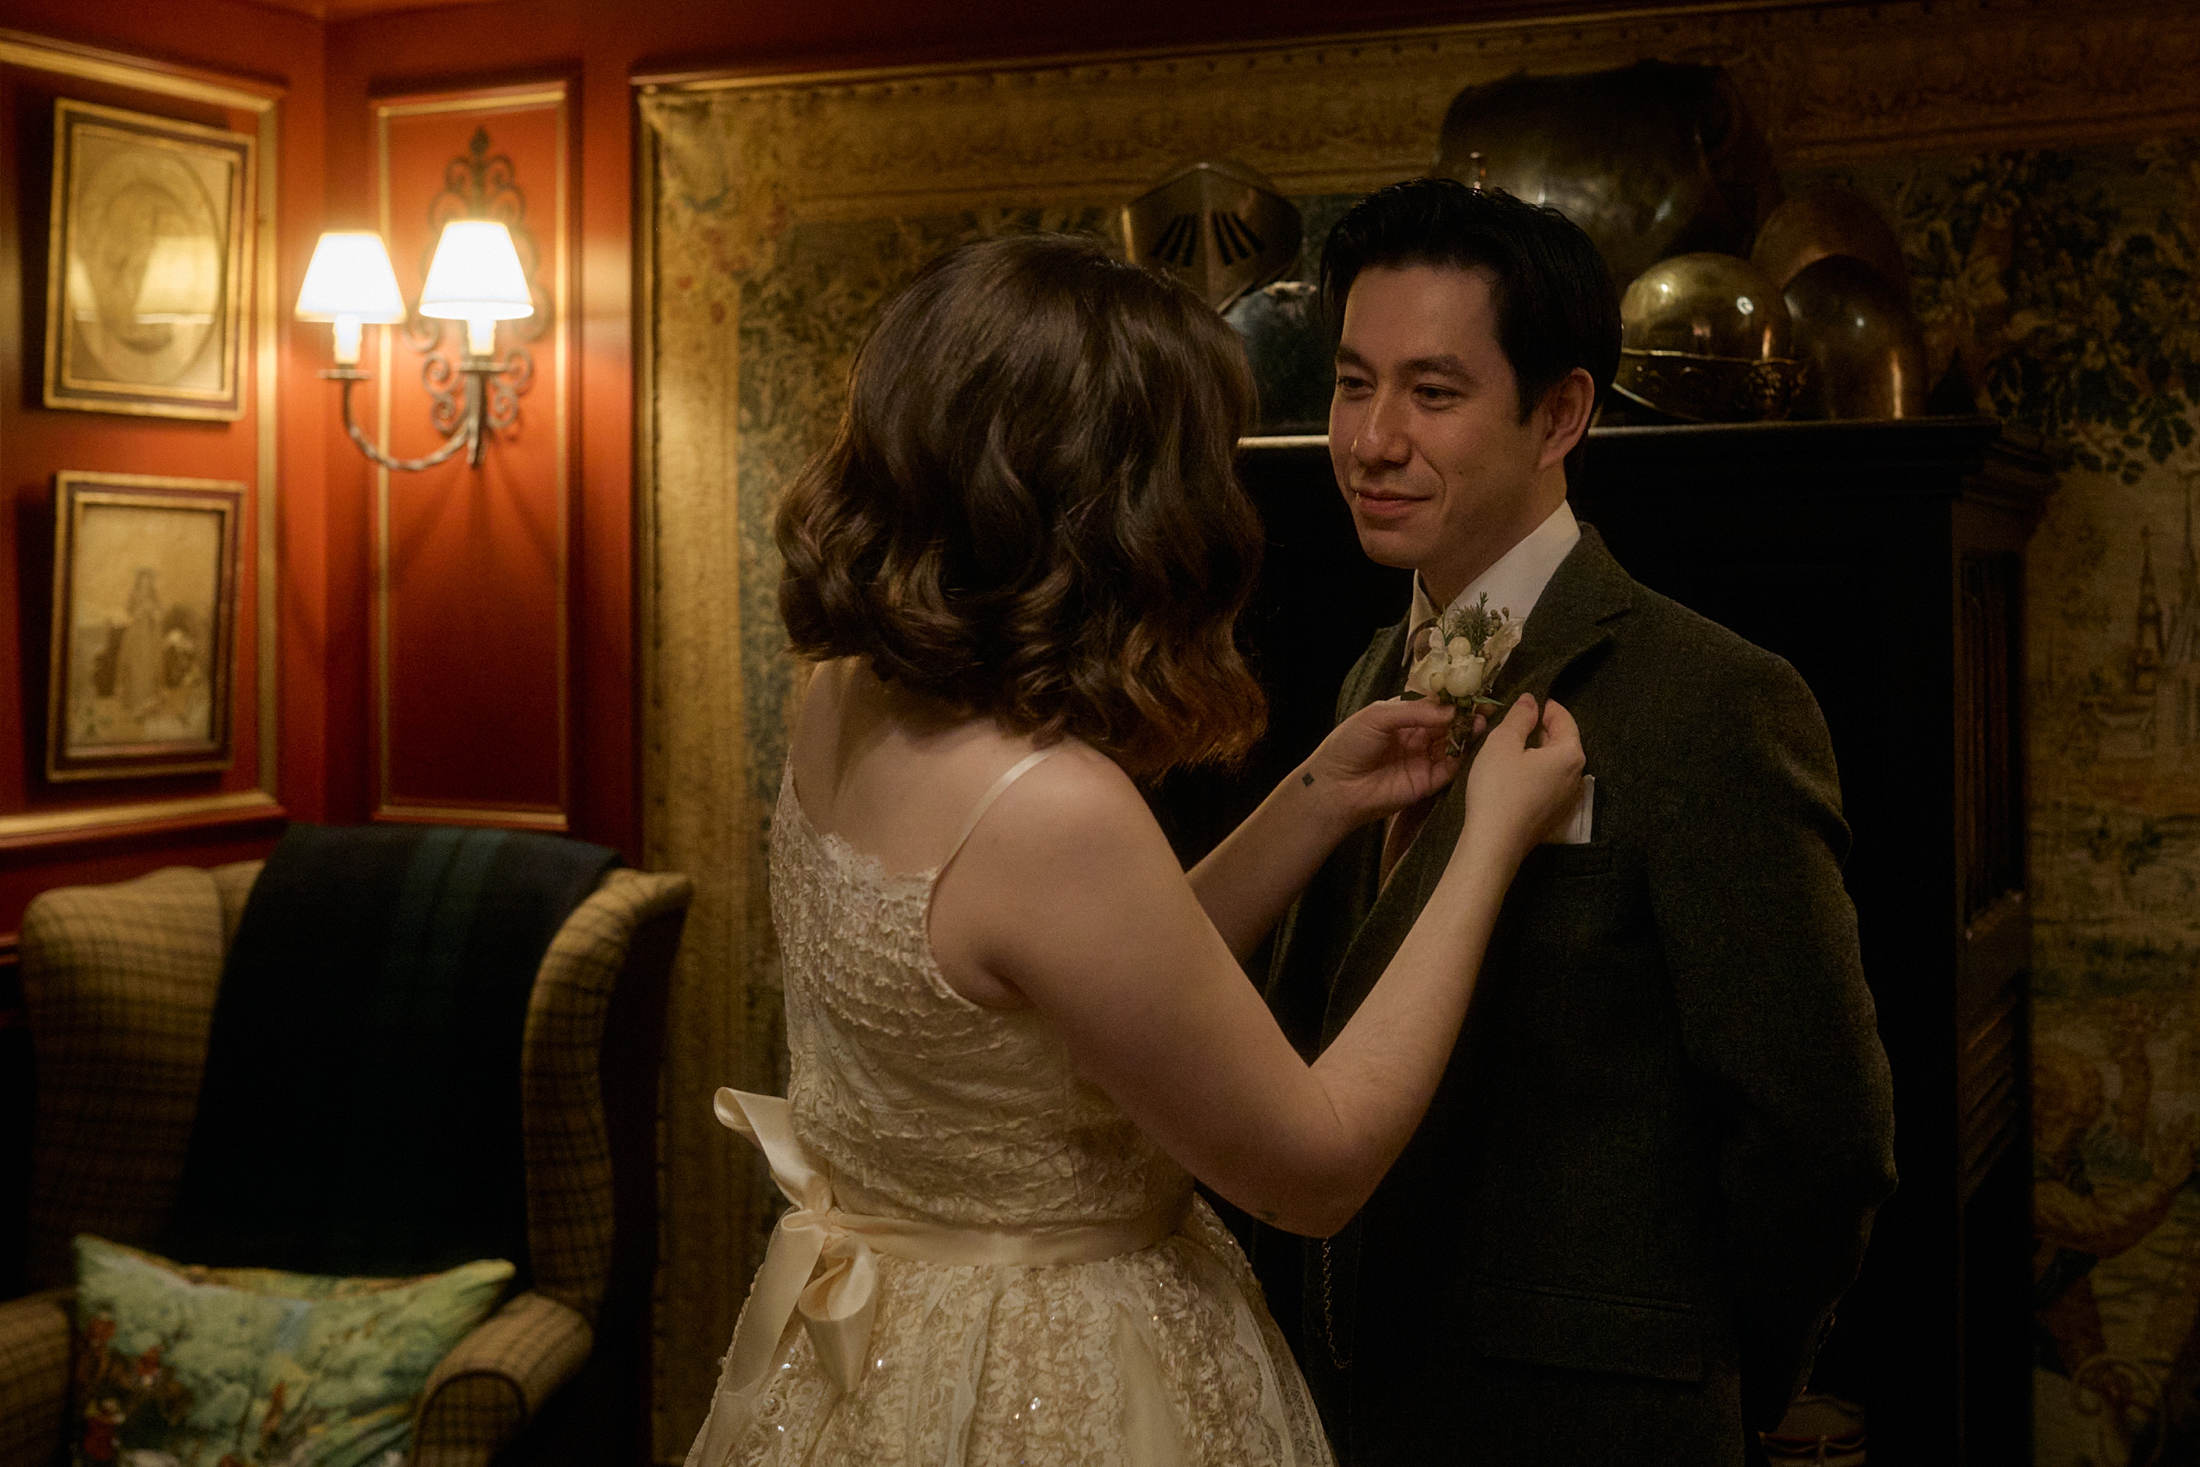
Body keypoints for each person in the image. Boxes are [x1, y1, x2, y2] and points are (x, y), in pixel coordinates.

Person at [682, 232, 1587, 1467]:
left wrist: (1316, 798)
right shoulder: (1051, 808)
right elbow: (1312, 1170)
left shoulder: (847, 693)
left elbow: (1096, 990)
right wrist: (1486, 844)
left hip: (880, 1353)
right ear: (1116, 500)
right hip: (1049, 1379)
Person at [1256, 178, 1901, 1466]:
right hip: (1341, 1401)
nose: (1373, 439)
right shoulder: (1365, 679)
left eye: (1432, 394)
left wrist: (1720, 1382)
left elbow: (1817, 1131)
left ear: (1560, 413)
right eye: (1350, 383)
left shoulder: (1715, 699)